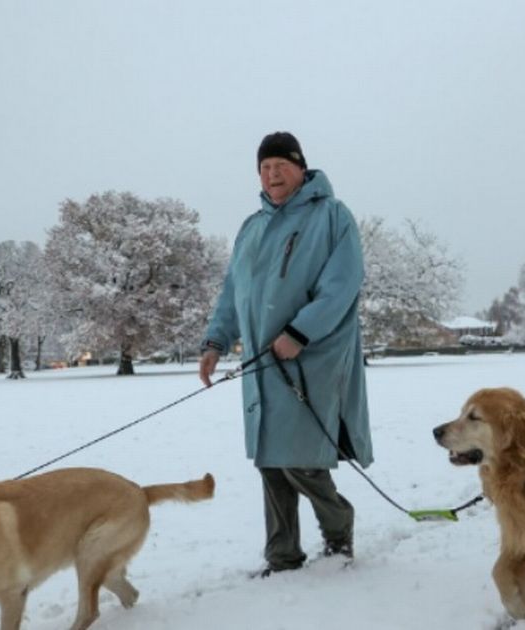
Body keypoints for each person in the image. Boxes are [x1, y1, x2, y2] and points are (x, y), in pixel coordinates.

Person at [199, 131, 373, 577]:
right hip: (261, 361)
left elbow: (343, 283)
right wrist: (215, 342)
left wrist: (300, 331)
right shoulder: (251, 226)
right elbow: (233, 291)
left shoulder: (332, 215)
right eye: (264, 168)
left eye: (281, 165)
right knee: (270, 461)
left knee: (300, 458)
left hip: (309, 358)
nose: (272, 174)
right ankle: (282, 555)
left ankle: (338, 533)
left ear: (301, 168)